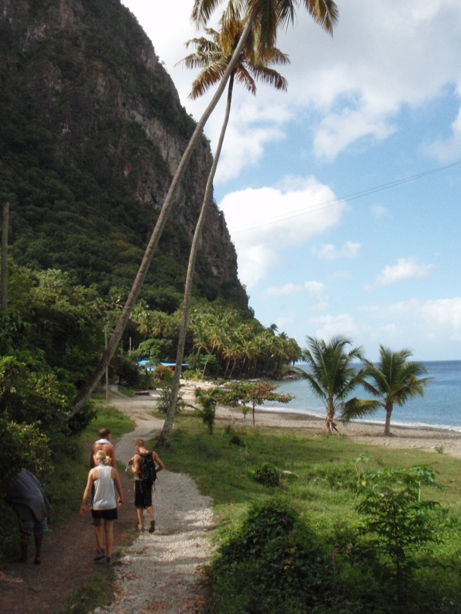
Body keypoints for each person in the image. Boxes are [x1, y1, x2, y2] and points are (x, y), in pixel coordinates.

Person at [80, 450, 123, 565]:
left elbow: (88, 489)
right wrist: (120, 497)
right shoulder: (113, 471)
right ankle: (109, 557)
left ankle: (100, 549)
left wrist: (83, 503)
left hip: (97, 505)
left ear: (97, 459)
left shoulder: (93, 472)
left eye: (94, 459)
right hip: (110, 505)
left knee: (97, 526)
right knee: (109, 530)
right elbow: (119, 486)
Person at [5, 468, 51, 565]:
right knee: (39, 528)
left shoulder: (6, 476)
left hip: (25, 502)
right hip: (39, 498)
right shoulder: (23, 470)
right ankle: (38, 556)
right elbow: (38, 482)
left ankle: (24, 556)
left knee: (25, 530)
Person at [129, 438, 165, 533]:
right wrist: (153, 472)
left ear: (137, 447)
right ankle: (152, 519)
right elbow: (162, 466)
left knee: (139, 504)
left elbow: (136, 472)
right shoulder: (153, 454)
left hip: (139, 481)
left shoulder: (137, 456)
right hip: (149, 481)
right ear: (143, 445)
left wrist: (131, 465)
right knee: (148, 502)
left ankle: (141, 525)